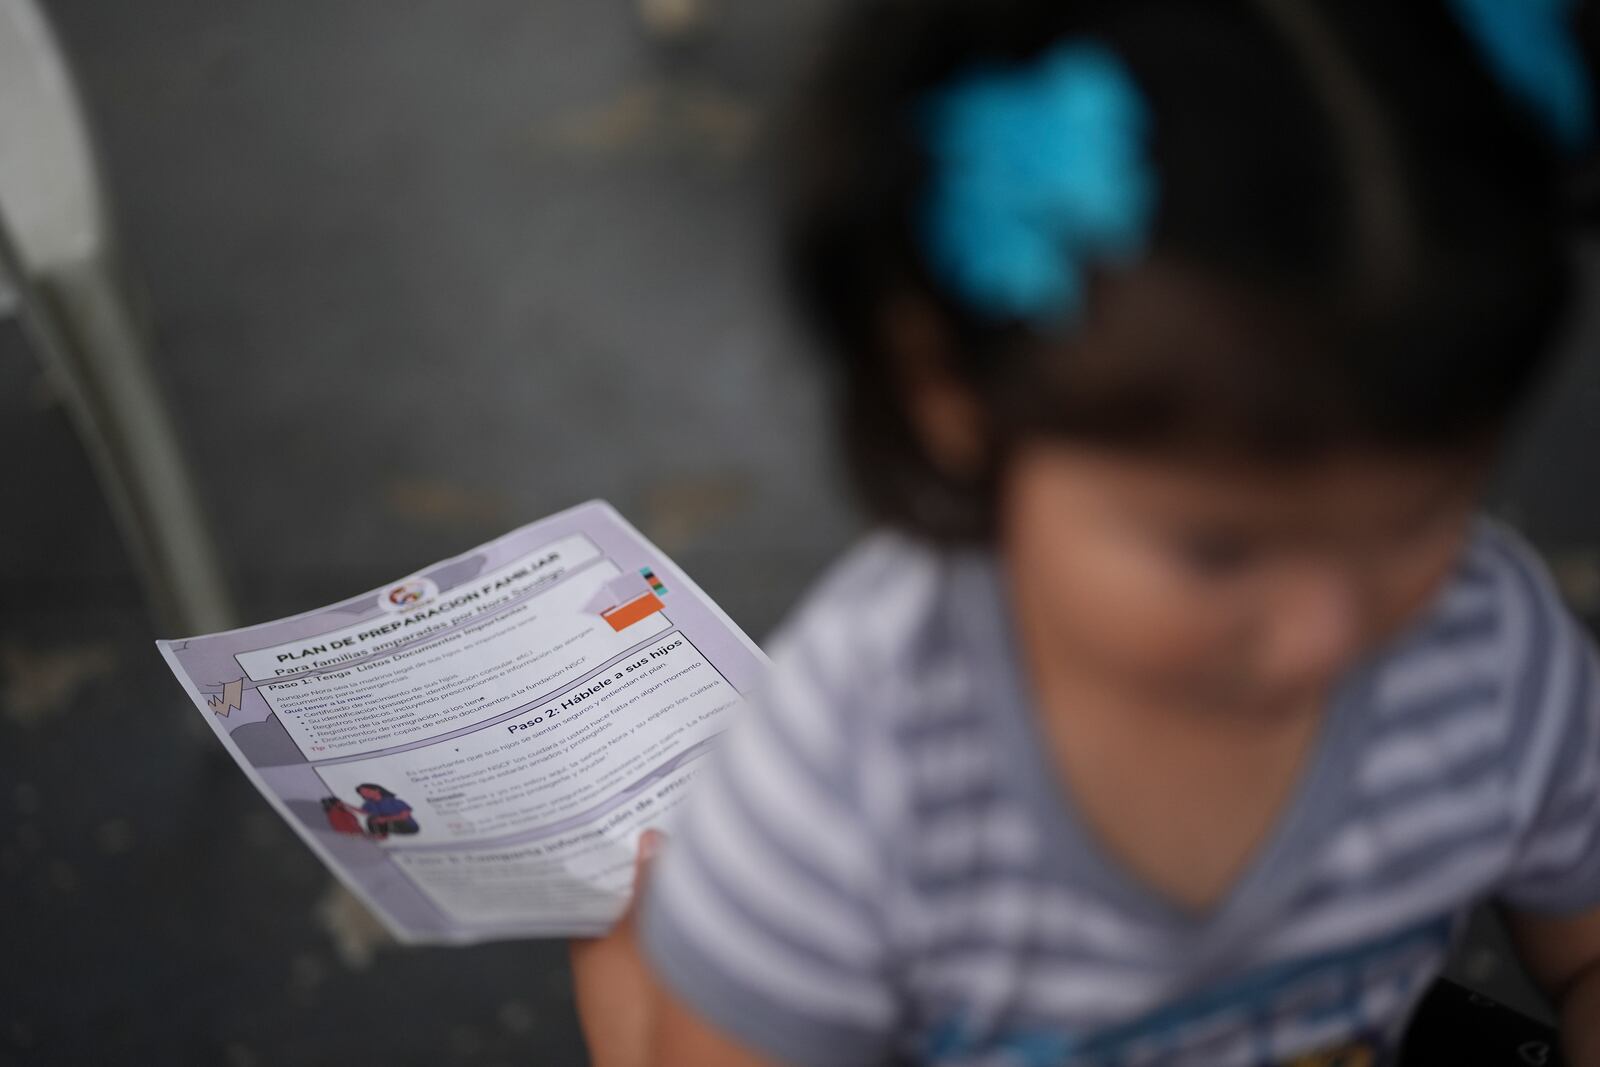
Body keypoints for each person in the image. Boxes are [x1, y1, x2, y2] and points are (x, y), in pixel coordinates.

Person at [573, 1, 1600, 1064]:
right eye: (1219, 551)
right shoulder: (845, 782)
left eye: (1415, 521)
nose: (1322, 632)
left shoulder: (1493, 658)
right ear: (950, 393)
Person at [344, 783, 419, 837]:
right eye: (362, 794)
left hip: (408, 826)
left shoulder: (394, 801)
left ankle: (378, 835)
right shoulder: (370, 803)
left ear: (377, 790)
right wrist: (346, 805)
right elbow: (363, 811)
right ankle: (377, 835)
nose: (365, 795)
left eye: (368, 791)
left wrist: (384, 819)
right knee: (372, 818)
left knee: (377, 818)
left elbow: (404, 817)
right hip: (387, 825)